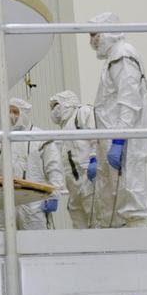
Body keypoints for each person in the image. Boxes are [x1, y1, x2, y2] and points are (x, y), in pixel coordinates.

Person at [87, 12, 147, 227]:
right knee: (118, 199)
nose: (92, 41)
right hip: (116, 142)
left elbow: (129, 100)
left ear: (107, 33)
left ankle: (140, 248)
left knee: (131, 198)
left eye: (95, 35)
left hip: (125, 143)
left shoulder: (122, 55)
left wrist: (119, 140)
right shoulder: (113, 59)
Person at [0, 98, 65, 230]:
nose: (11, 115)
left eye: (15, 112)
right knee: (6, 243)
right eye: (9, 112)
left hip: (34, 203)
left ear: (24, 113)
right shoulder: (0, 140)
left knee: (36, 243)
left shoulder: (40, 137)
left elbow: (54, 168)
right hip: (6, 203)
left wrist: (54, 195)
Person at [49, 90, 98, 230]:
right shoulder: (64, 129)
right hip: (75, 186)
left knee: (96, 221)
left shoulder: (82, 112)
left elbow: (97, 136)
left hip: (89, 178)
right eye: (52, 107)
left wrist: (95, 159)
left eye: (56, 105)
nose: (54, 110)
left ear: (67, 102)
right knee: (79, 226)